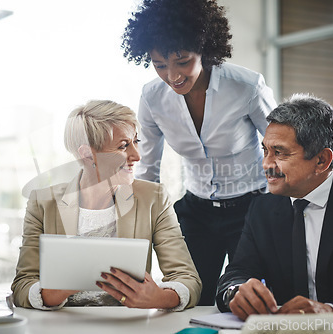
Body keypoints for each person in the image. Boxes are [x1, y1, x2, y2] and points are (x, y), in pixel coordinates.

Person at [121, 0, 277, 305]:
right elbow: (148, 168)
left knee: (250, 300)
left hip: (252, 206)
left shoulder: (246, 87)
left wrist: (282, 205)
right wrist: (138, 220)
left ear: (204, 48)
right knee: (191, 297)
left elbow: (281, 144)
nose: (172, 75)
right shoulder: (152, 97)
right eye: (160, 64)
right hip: (197, 210)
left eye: (182, 61)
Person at [12, 100, 201, 311]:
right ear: (87, 154)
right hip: (61, 324)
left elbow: (187, 278)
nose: (137, 156)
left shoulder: (154, 198)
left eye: (135, 141)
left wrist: (160, 298)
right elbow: (22, 286)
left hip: (128, 325)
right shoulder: (42, 203)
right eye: (123, 146)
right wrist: (56, 290)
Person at [216, 94, 333, 328]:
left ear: (322, 160)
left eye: (280, 153)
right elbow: (237, 272)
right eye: (265, 151)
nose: (266, 164)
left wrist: (331, 313)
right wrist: (236, 292)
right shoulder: (262, 208)